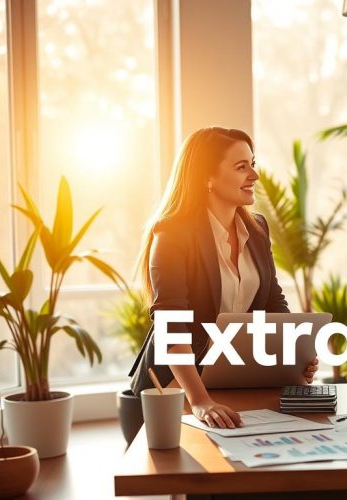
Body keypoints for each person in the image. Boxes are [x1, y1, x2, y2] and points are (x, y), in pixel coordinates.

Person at [128, 127, 318, 429]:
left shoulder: (257, 228)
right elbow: (171, 327)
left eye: (252, 164)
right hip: (174, 389)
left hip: (231, 380)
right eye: (241, 167)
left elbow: (272, 301)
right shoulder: (172, 235)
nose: (254, 176)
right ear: (207, 177)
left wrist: (294, 354)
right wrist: (200, 401)